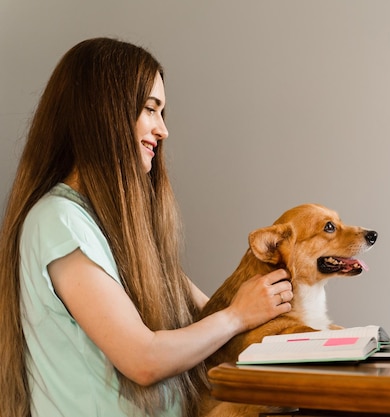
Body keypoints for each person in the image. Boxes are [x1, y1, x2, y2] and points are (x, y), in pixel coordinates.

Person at [0, 37, 294, 417]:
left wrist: (265, 310)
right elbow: (143, 358)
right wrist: (237, 315)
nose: (162, 130)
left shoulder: (118, 229)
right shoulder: (59, 221)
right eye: (150, 109)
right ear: (104, 113)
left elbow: (205, 317)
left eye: (162, 113)